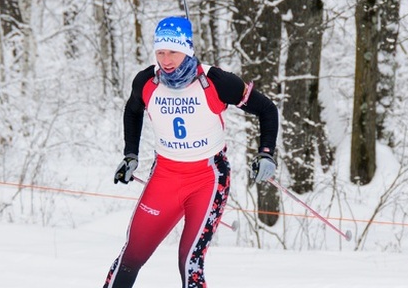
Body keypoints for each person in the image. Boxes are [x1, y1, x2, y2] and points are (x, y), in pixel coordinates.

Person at [103, 16, 279, 288]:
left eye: (173, 51)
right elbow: (133, 110)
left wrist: (266, 152)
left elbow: (267, 109)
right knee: (131, 255)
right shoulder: (147, 82)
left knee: (189, 260)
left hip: (208, 179)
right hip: (165, 176)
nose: (166, 59)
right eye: (160, 52)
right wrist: (130, 155)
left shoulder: (216, 82)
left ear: (187, 49)